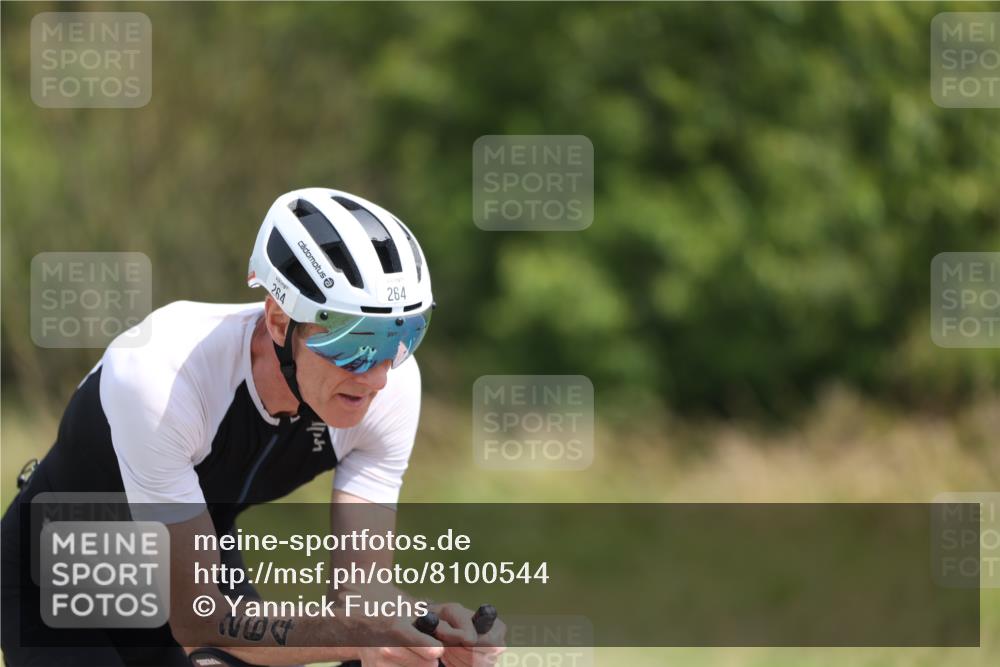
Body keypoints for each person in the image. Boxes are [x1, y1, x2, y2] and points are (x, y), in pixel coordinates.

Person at [1, 188, 504, 667]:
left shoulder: (392, 389)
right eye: (356, 343)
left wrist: (428, 632)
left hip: (194, 564)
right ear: (280, 321)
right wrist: (359, 632)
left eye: (403, 336)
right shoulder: (163, 376)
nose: (377, 376)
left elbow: (360, 598)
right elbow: (198, 621)